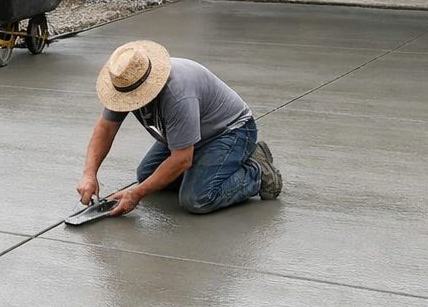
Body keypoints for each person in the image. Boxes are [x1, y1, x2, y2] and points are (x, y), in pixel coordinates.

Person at [77, 40, 282, 217]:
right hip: (192, 134)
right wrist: (89, 174)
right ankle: (209, 165)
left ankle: (256, 171)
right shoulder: (126, 81)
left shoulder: (176, 94)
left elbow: (182, 159)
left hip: (231, 131)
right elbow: (105, 129)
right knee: (146, 176)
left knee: (196, 199)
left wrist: (136, 194)